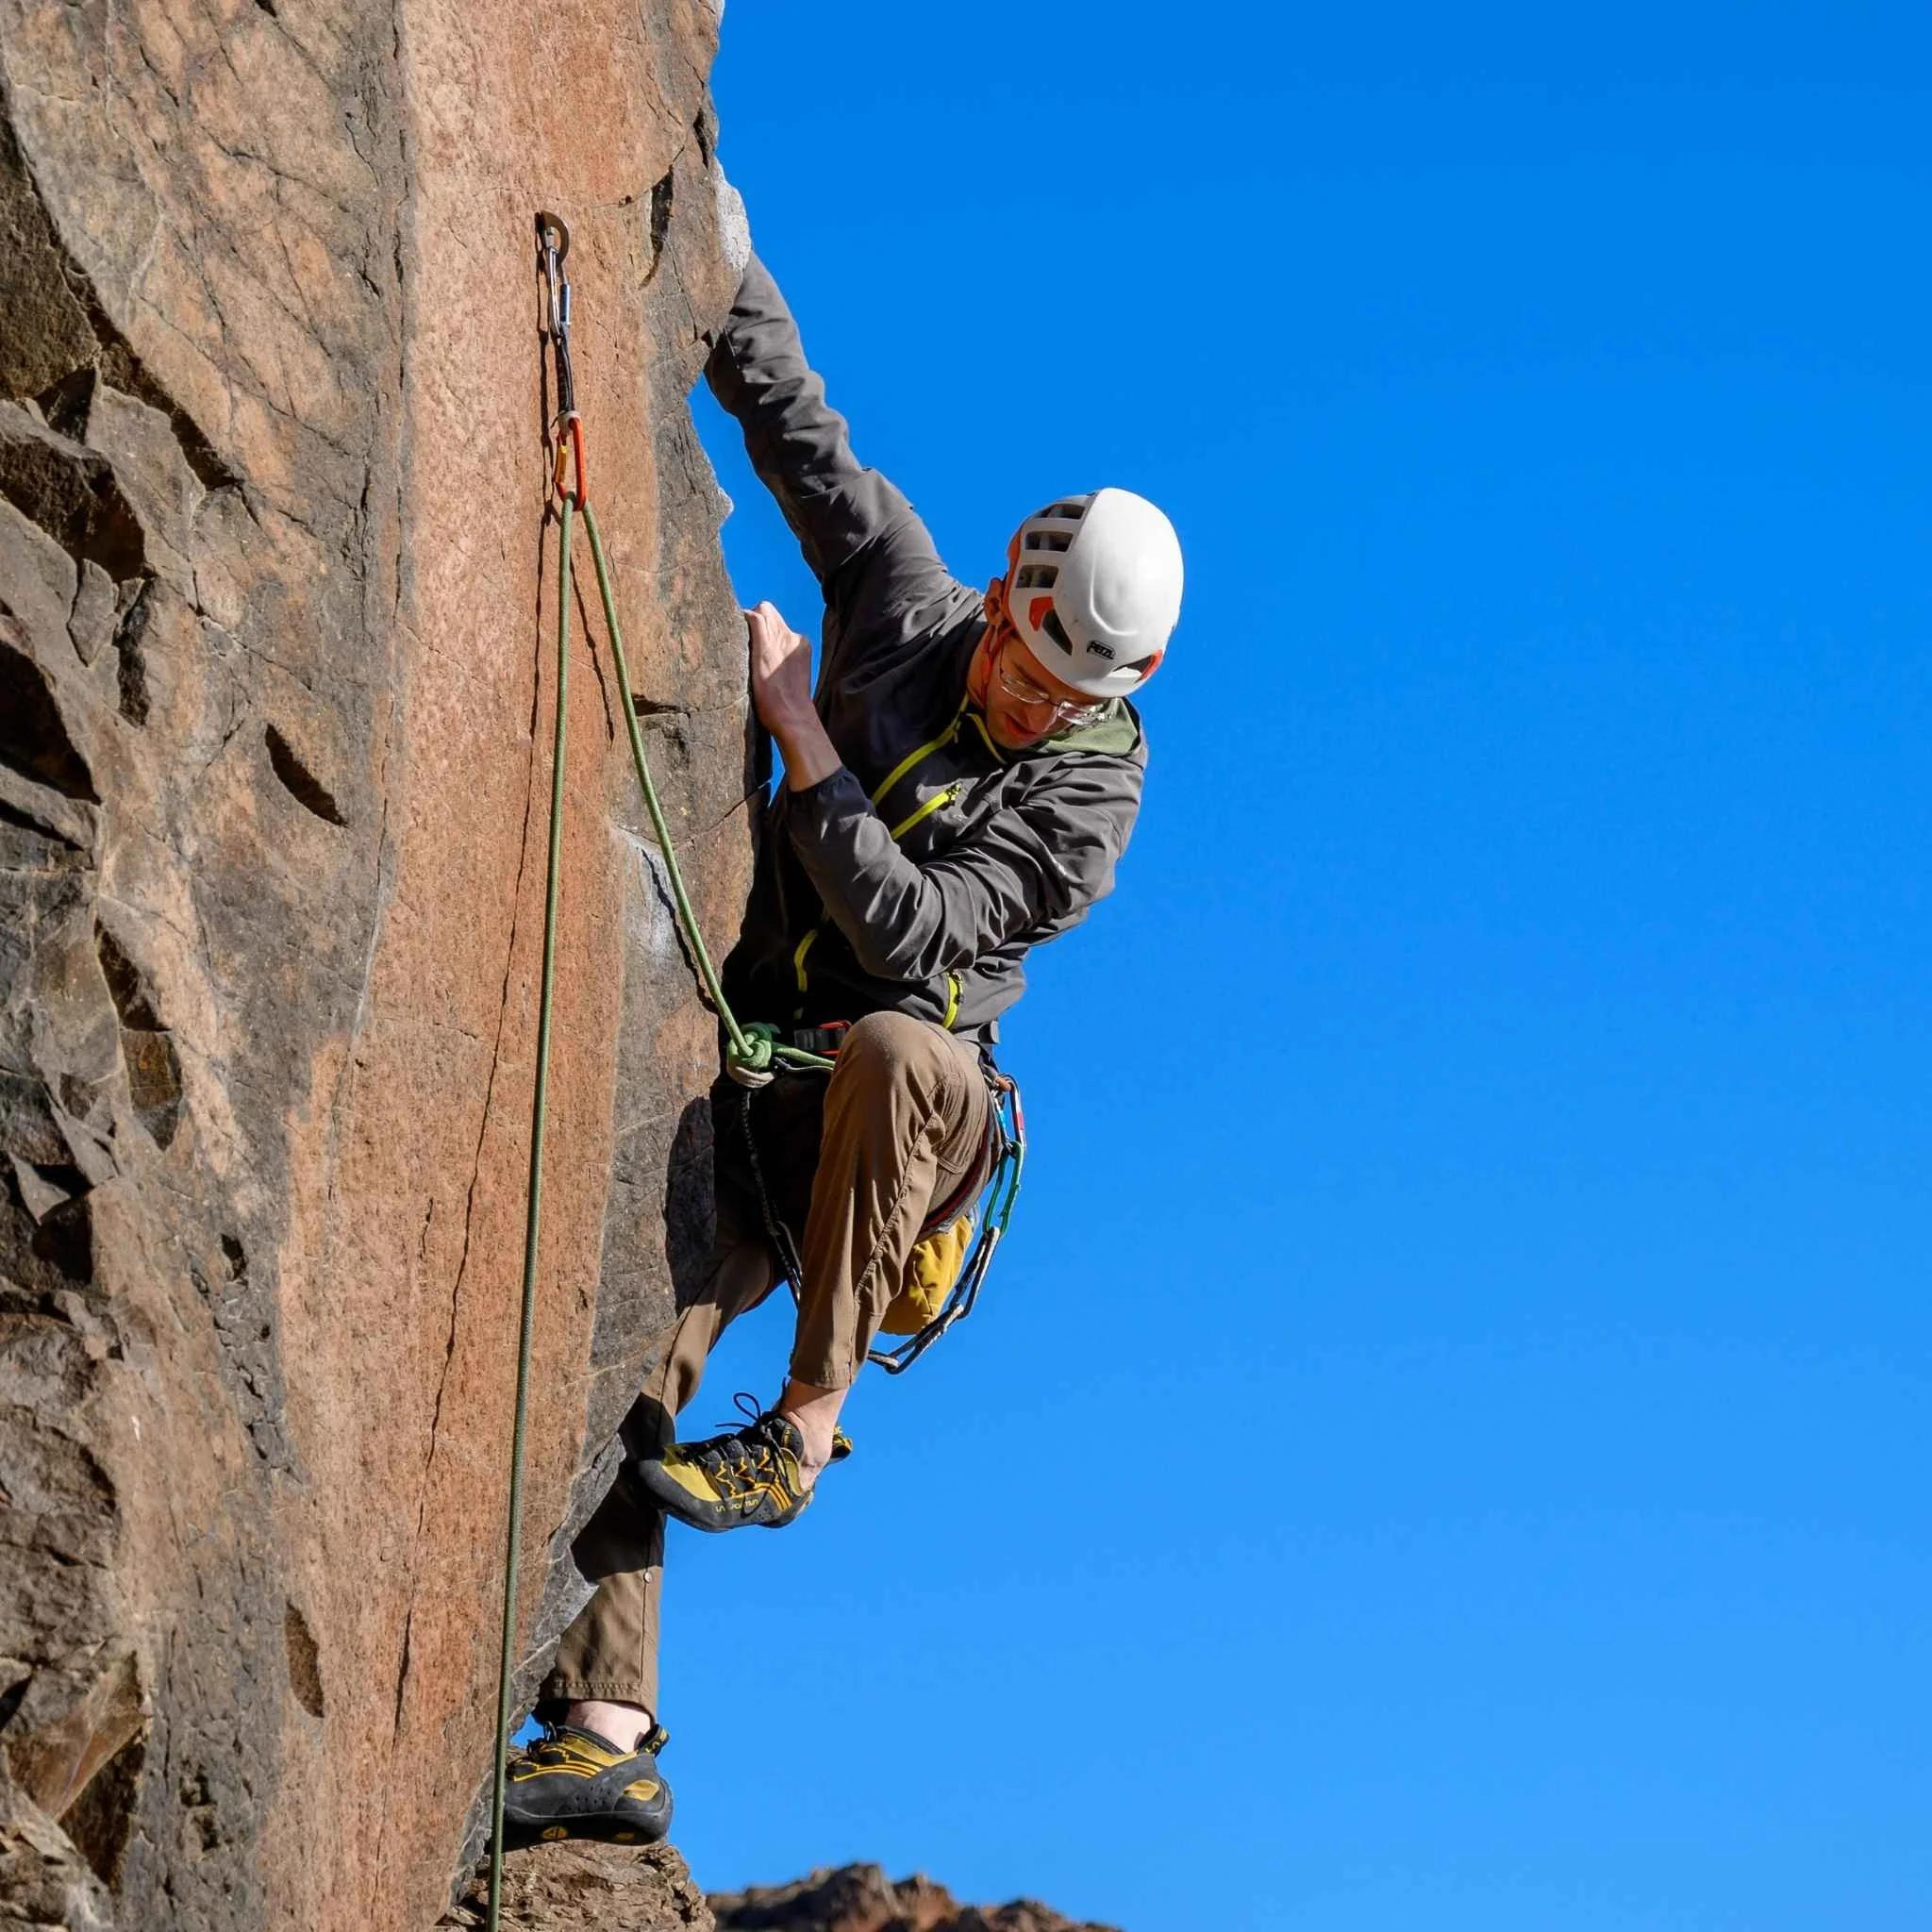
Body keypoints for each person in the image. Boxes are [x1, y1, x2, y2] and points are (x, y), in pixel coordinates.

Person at [500, 254, 1183, 1850]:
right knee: (636, 1342)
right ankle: (604, 1735)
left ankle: (804, 1429)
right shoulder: (901, 597)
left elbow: (918, 941)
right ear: (1005, 602)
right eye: (1025, 657)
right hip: (761, 1089)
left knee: (895, 1041)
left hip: (902, 1128)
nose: (1031, 700)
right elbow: (798, 430)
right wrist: (713, 242)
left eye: (1071, 689)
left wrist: (801, 736)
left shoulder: (1093, 802)